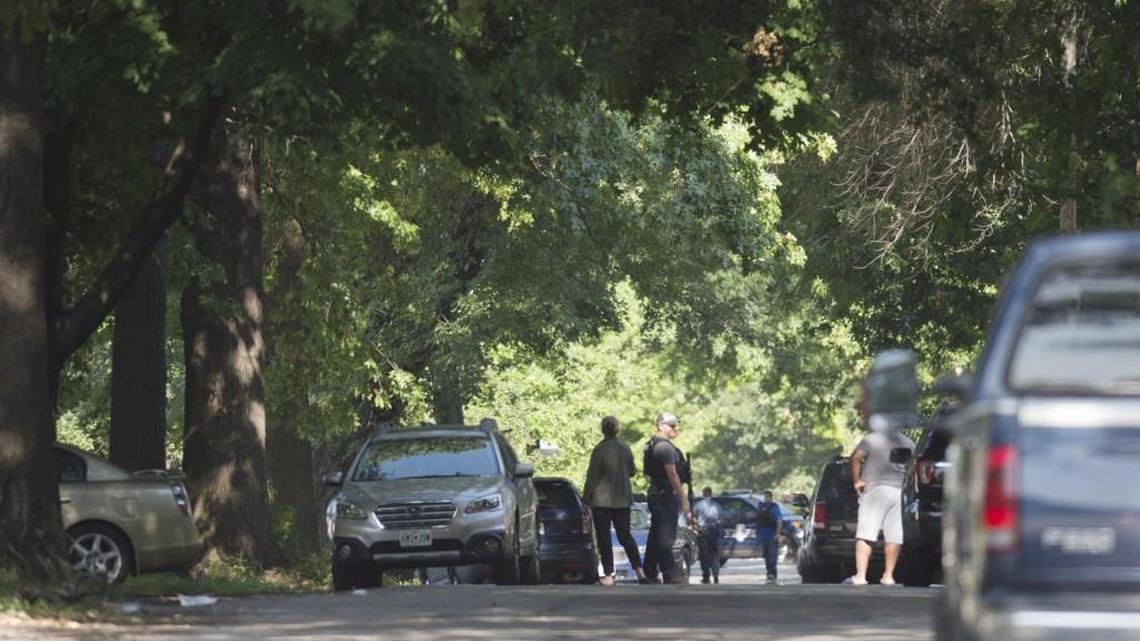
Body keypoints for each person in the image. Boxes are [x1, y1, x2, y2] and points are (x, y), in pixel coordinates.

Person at [846, 379, 916, 586]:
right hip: (898, 493)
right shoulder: (909, 443)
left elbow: (855, 458)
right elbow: (912, 469)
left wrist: (857, 480)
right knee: (894, 537)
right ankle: (888, 576)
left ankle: (860, 576)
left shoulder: (872, 439)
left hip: (874, 491)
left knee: (865, 534)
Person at [583, 415, 645, 586]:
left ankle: (609, 575)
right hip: (622, 499)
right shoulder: (625, 448)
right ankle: (640, 571)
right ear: (617, 429)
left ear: (603, 430)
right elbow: (632, 471)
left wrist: (586, 498)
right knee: (626, 536)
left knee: (604, 538)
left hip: (601, 501)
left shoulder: (600, 449)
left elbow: (592, 476)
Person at [641, 411, 694, 584]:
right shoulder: (664, 447)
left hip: (657, 494)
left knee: (656, 535)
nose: (675, 428)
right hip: (665, 495)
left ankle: (650, 571)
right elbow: (672, 474)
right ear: (661, 426)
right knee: (666, 537)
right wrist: (683, 499)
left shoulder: (652, 444)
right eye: (672, 425)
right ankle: (669, 573)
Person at [693, 487, 722, 584]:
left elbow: (693, 518)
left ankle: (706, 576)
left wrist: (697, 526)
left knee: (704, 554)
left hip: (702, 531)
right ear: (711, 494)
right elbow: (721, 519)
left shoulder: (698, 505)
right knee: (714, 553)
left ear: (703, 494)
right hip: (713, 530)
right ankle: (716, 574)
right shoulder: (717, 505)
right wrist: (716, 523)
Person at [755, 490, 783, 584]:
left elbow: (779, 520)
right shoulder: (762, 507)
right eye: (765, 497)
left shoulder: (774, 508)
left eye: (768, 497)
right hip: (763, 535)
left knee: (772, 555)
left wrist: (777, 534)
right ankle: (769, 573)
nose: (766, 498)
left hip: (772, 535)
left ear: (771, 498)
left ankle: (773, 574)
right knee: (766, 555)